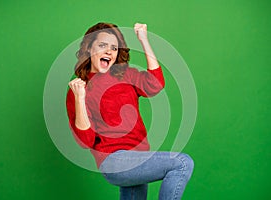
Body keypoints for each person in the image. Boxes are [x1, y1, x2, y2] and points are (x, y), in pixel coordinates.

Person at [66, 22, 194, 200]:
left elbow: (155, 84)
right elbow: (85, 140)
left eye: (114, 47)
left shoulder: (126, 75)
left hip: (138, 156)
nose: (109, 51)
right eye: (102, 45)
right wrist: (80, 98)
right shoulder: (80, 88)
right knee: (182, 163)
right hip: (113, 160)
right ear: (89, 49)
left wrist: (144, 40)